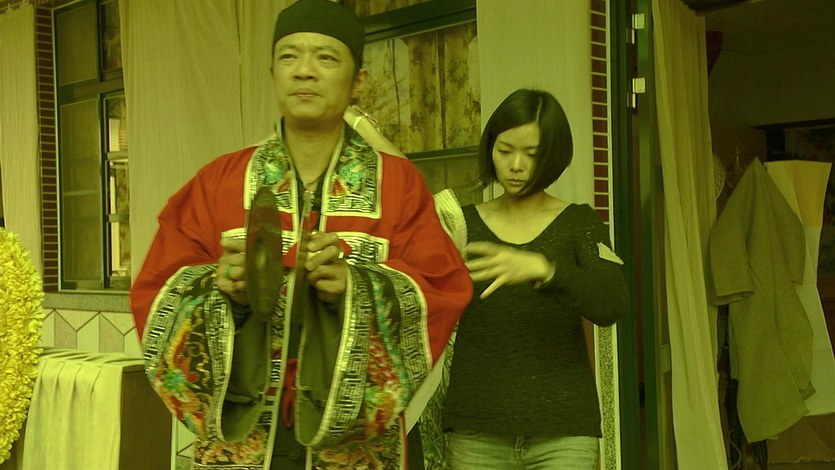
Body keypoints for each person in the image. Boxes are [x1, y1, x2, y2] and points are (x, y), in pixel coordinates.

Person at [129, 1, 472, 468]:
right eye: (289, 56)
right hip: (240, 444)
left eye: (325, 58)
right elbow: (155, 291)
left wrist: (356, 289)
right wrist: (220, 290)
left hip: (353, 448)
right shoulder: (219, 182)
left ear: (358, 82)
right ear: (272, 73)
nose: (304, 71)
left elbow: (442, 288)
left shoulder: (397, 186)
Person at [432, 89, 629, 469]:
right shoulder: (461, 225)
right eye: (505, 151)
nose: (516, 165)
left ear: (553, 155)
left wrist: (545, 270)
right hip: (475, 432)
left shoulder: (579, 223)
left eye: (532, 154)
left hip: (564, 435)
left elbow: (612, 303)